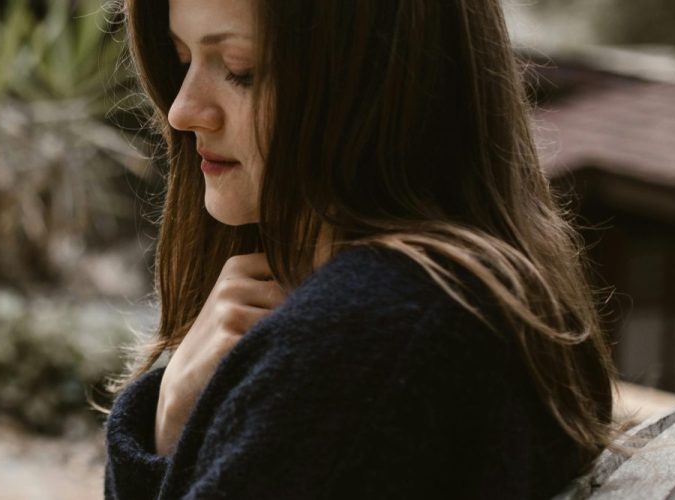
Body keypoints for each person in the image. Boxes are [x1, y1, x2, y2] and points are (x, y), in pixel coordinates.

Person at [101, 0, 618, 498]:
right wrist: (169, 419)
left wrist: (171, 421)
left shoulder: (370, 340)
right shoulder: (450, 303)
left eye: (242, 69)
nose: (182, 111)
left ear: (378, 79)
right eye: (182, 60)